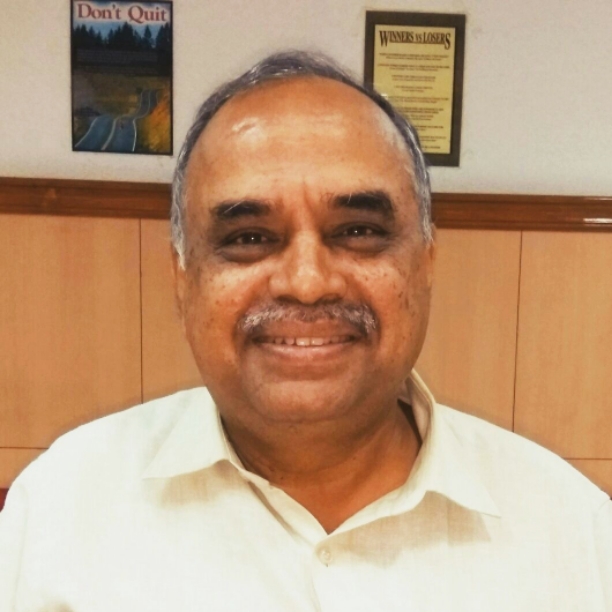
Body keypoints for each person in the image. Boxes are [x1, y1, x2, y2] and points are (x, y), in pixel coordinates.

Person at [0, 50, 610, 611]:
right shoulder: (59, 511)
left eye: (358, 231)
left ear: (425, 263)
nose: (308, 282)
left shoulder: (572, 533)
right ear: (183, 280)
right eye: (248, 238)